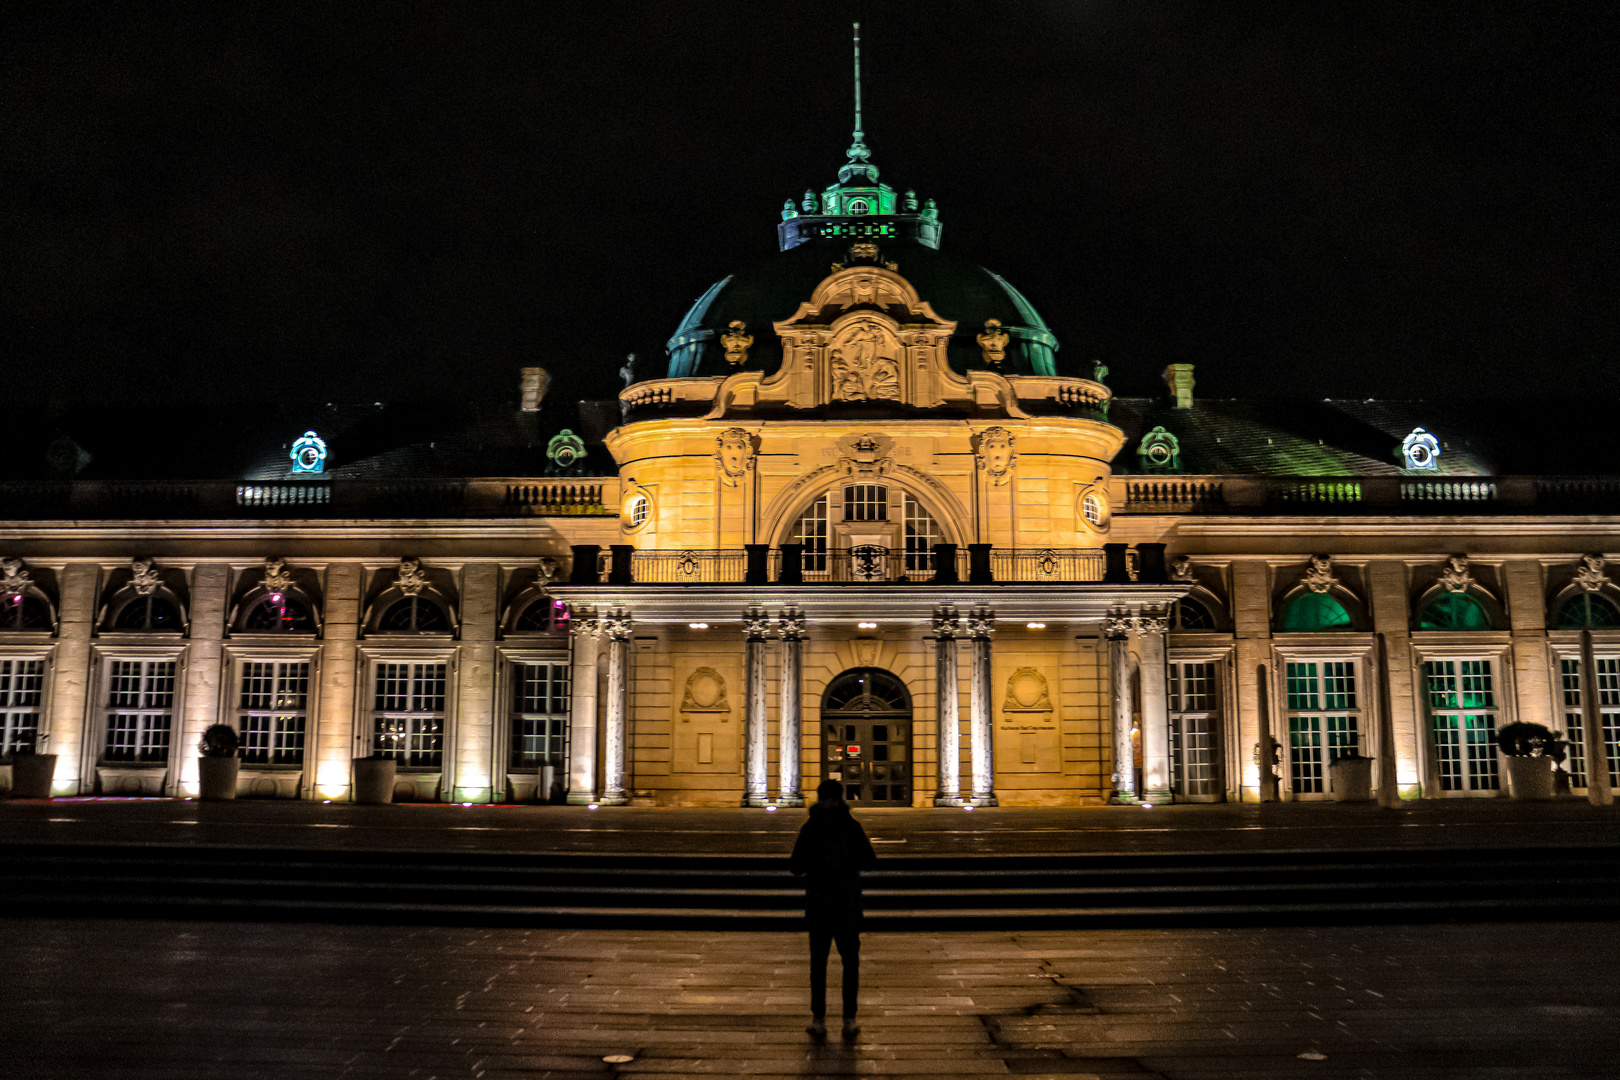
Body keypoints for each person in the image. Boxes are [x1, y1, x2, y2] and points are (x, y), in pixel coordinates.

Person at [789, 778, 877, 1041]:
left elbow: (795, 865)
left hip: (819, 905)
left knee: (819, 964)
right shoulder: (851, 828)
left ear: (819, 798)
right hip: (847, 905)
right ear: (841, 799)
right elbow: (870, 862)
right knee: (850, 963)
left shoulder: (810, 828)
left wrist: (813, 872)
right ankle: (849, 1020)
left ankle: (819, 1020)